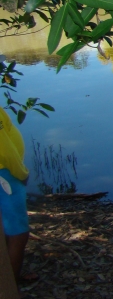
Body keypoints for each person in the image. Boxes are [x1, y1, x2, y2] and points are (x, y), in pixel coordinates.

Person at [0, 107, 29, 286]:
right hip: (6, 176)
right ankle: (10, 287)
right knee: (18, 233)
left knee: (5, 226)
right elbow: (6, 151)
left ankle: (8, 275)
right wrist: (22, 174)